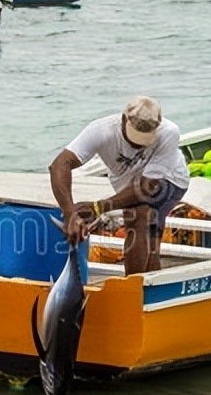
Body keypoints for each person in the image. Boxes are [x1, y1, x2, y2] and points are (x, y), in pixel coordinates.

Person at [49, 96, 190, 276]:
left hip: (171, 179)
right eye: (134, 138)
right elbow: (59, 165)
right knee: (150, 242)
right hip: (129, 181)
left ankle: (134, 285)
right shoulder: (101, 130)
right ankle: (149, 286)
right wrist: (69, 214)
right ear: (124, 119)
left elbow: (148, 188)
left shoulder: (169, 132)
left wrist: (99, 207)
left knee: (140, 215)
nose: (137, 144)